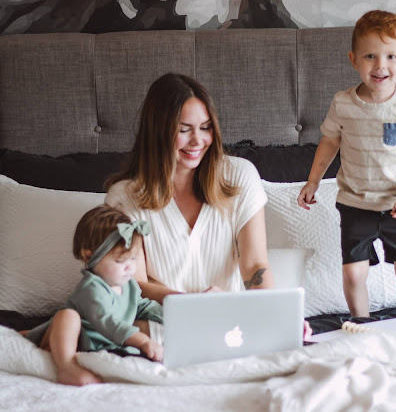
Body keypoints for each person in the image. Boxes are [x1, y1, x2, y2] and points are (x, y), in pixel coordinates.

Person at [44, 73, 311, 386]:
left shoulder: (240, 177)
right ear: (158, 132)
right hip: (159, 328)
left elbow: (254, 265)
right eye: (184, 130)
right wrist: (192, 305)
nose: (198, 141)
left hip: (230, 326)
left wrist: (276, 316)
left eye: (205, 127)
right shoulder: (125, 197)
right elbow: (137, 284)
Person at [297, 10, 396, 318]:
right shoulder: (343, 103)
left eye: (390, 56)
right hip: (355, 204)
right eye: (370, 56)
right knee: (354, 273)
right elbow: (329, 143)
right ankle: (361, 323)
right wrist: (313, 181)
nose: (380, 65)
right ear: (354, 60)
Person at [25, 204, 163, 385]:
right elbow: (107, 321)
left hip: (103, 344)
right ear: (90, 256)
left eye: (133, 258)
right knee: (68, 316)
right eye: (120, 260)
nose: (130, 267)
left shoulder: (128, 284)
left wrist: (168, 314)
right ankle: (66, 366)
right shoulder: (91, 288)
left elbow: (142, 306)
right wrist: (142, 341)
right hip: (72, 338)